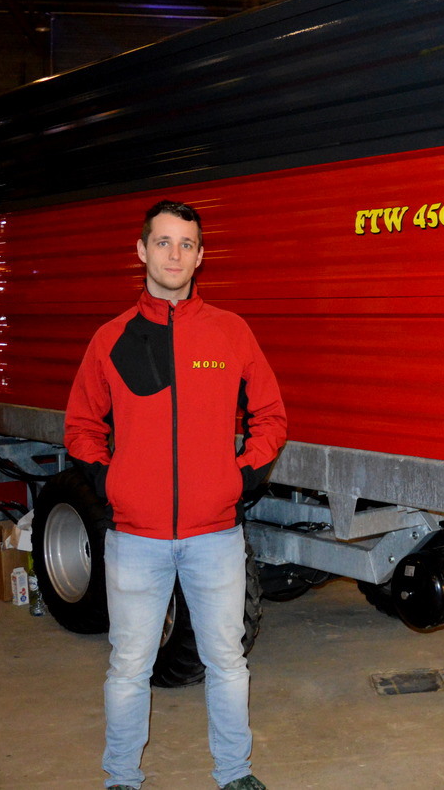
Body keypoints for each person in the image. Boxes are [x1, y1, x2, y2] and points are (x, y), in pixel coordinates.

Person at [64, 200, 286, 790]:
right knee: (128, 667)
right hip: (136, 538)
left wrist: (242, 476)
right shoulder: (112, 338)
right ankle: (121, 777)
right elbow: (81, 425)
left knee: (228, 663)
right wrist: (109, 482)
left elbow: (270, 416)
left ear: (201, 256)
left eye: (186, 244)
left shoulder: (230, 331)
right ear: (141, 251)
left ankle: (235, 773)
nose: (174, 254)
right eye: (163, 242)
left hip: (215, 535)